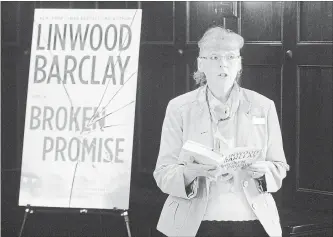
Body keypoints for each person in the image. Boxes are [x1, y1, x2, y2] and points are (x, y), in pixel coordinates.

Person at [153, 26, 290, 237]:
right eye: (214, 56)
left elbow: (279, 167)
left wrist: (264, 172)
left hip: (253, 223)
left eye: (230, 57)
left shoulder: (264, 106)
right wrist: (191, 173)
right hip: (192, 225)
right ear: (201, 64)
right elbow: (163, 173)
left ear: (239, 64)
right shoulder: (178, 107)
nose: (223, 63)